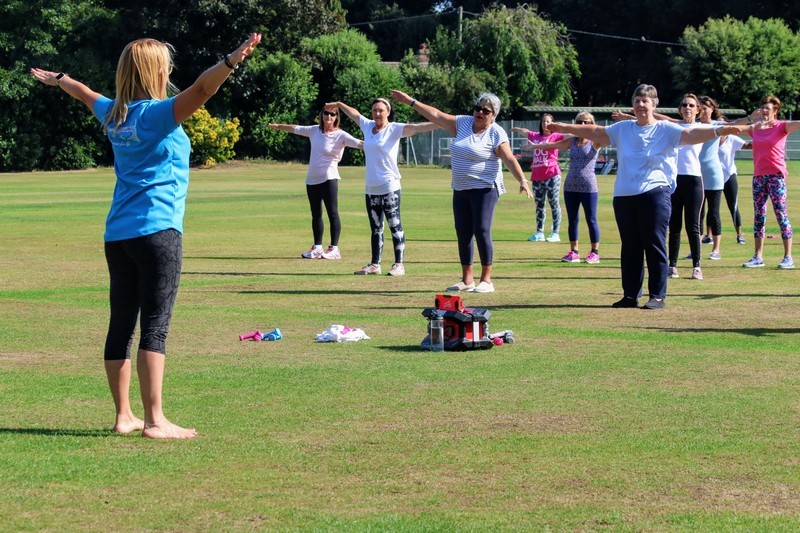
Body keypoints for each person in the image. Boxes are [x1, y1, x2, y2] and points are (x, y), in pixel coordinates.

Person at [31, 33, 262, 439]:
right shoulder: (157, 115)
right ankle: (156, 420)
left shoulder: (113, 113)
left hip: (118, 235)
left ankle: (124, 416)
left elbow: (83, 93)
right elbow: (204, 89)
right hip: (158, 231)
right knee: (155, 325)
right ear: (156, 70)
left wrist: (58, 78)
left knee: (122, 323)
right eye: (166, 65)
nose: (171, 70)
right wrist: (231, 60)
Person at [547, 84, 748, 309]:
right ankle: (630, 295)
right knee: (630, 246)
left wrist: (719, 131)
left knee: (654, 243)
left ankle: (657, 295)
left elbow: (691, 134)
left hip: (656, 192)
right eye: (637, 101)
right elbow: (595, 132)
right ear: (633, 105)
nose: (641, 105)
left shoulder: (666, 128)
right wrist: (563, 126)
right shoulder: (623, 128)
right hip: (624, 194)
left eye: (645, 101)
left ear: (654, 104)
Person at [389, 90, 532, 293]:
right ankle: (467, 280)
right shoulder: (463, 123)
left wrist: (522, 180)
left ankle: (487, 280)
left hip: (485, 188)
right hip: (461, 187)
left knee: (481, 230)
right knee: (463, 232)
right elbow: (436, 115)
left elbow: (508, 157)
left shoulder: (495, 132)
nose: (480, 112)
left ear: (493, 115)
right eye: (478, 108)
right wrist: (410, 102)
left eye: (486, 110)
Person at [325, 98, 438, 276]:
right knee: (376, 228)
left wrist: (441, 122)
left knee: (394, 225)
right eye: (375, 110)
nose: (377, 113)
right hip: (371, 187)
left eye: (381, 110)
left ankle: (399, 264)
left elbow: (418, 127)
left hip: (390, 185)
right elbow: (354, 113)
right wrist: (339, 105)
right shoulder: (367, 126)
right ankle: (375, 264)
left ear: (388, 111)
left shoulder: (394, 129)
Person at [268, 108, 363, 260]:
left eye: (332, 114)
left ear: (336, 117)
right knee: (316, 214)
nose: (329, 116)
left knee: (332, 213)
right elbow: (296, 128)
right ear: (322, 115)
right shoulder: (314, 131)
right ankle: (318, 247)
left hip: (329, 178)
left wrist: (376, 145)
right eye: (326, 113)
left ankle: (334, 248)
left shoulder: (341, 135)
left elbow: (359, 144)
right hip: (312, 179)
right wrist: (279, 126)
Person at [525, 112, 606, 264]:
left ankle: (595, 252)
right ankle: (574, 251)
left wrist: (593, 128)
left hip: (588, 186)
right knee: (573, 220)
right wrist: (535, 146)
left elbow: (606, 133)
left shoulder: (595, 141)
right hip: (570, 186)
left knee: (591, 219)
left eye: (586, 122)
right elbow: (552, 145)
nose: (582, 125)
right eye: (579, 122)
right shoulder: (573, 141)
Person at [735, 96, 800, 269]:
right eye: (762, 107)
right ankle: (758, 256)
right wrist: (751, 117)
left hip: (776, 177)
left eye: (768, 108)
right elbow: (733, 127)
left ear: (775, 111)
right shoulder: (755, 127)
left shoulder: (781, 126)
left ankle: (788, 257)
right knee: (759, 216)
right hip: (758, 177)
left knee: (781, 215)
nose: (764, 111)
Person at [667, 94, 706, 280]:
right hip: (675, 181)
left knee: (693, 225)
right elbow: (656, 119)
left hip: (694, 181)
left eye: (691, 105)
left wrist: (752, 122)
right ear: (680, 108)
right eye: (684, 105)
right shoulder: (674, 127)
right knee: (674, 224)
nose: (687, 108)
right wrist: (630, 117)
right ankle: (672, 265)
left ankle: (696, 266)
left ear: (698, 109)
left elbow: (729, 127)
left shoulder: (702, 127)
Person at [512, 115, 563, 242]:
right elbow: (526, 132)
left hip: (552, 174)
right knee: (539, 205)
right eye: (543, 121)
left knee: (554, 203)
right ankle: (539, 232)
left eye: (548, 121)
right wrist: (516, 129)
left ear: (553, 123)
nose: (545, 124)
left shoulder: (556, 136)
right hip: (537, 176)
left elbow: (569, 137)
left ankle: (555, 233)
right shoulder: (535, 136)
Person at [696, 96, 726, 260]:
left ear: (712, 109)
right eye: (700, 107)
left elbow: (737, 125)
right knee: (698, 213)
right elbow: (668, 119)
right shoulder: (694, 126)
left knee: (713, 212)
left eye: (706, 107)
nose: (703, 110)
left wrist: (753, 120)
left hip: (713, 174)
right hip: (696, 174)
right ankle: (697, 248)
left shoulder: (717, 125)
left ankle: (716, 249)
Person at [717, 133, 751, 245]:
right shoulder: (710, 137)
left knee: (733, 206)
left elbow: (747, 145)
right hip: (713, 177)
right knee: (712, 207)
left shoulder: (731, 139)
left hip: (729, 176)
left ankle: (739, 235)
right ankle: (709, 235)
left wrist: (763, 140)